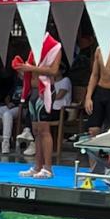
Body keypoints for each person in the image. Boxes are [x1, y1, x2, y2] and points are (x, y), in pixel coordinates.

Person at [12, 25, 63, 179]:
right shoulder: (34, 48)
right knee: (36, 131)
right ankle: (37, 166)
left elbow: (53, 71)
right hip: (33, 92)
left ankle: (48, 168)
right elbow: (31, 70)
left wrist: (31, 67)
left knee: (44, 130)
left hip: (44, 91)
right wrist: (22, 68)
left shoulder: (55, 47)